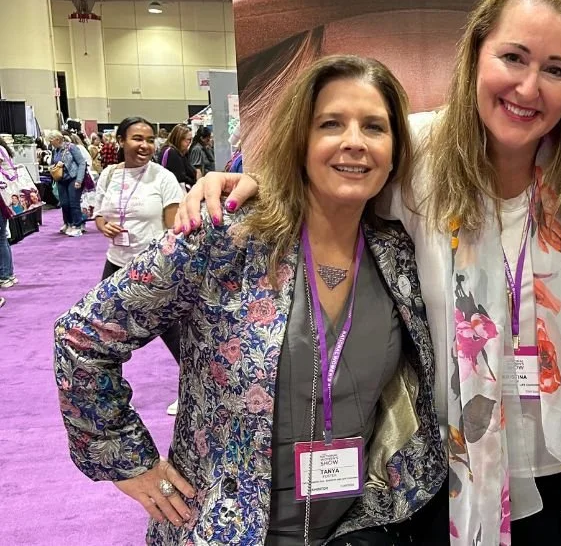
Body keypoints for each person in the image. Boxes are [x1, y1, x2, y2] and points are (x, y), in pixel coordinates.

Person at [174, 0, 561, 545]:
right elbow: (339, 176)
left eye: (556, 69)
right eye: (513, 57)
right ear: (475, 54)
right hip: (453, 468)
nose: (528, 87)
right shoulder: (423, 152)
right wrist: (258, 182)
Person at [55, 55, 446, 545]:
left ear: (394, 151)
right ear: (299, 140)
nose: (354, 141)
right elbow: (82, 336)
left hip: (357, 526)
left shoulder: (398, 255)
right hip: (227, 529)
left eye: (374, 127)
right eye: (330, 123)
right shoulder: (224, 239)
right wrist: (124, 459)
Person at [93, 116, 184, 411]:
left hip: (152, 268)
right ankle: (109, 395)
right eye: (137, 138)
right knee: (104, 332)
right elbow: (98, 213)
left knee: (172, 333)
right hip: (115, 264)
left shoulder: (163, 178)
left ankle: (193, 392)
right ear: (121, 141)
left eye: (149, 139)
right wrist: (102, 225)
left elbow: (175, 229)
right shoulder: (109, 174)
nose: (145, 145)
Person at [49, 130, 87, 236]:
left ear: (57, 139)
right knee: (64, 203)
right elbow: (53, 163)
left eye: (51, 140)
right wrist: (54, 166)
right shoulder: (55, 150)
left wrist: (79, 180)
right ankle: (68, 223)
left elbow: (82, 163)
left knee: (73, 203)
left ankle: (78, 225)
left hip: (73, 178)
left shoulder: (71, 147)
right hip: (61, 180)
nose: (50, 143)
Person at [0, 137, 18, 295]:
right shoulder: (3, 149)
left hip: (1, 200)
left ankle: (5, 275)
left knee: (1, 239)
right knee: (2, 238)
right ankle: (8, 274)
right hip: (4, 199)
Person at [158, 124, 197, 190]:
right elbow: (180, 177)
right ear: (179, 139)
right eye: (188, 140)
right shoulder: (172, 152)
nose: (189, 143)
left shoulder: (179, 152)